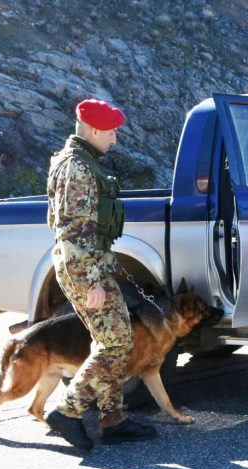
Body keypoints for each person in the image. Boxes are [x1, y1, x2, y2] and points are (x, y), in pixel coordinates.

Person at [45, 98, 156, 450]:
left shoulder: (82, 162)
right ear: (93, 130)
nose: (115, 139)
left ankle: (113, 418)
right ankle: (68, 411)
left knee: (110, 341)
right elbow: (74, 228)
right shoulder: (77, 168)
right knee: (117, 342)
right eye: (111, 132)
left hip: (90, 263)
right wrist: (93, 280)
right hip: (84, 267)